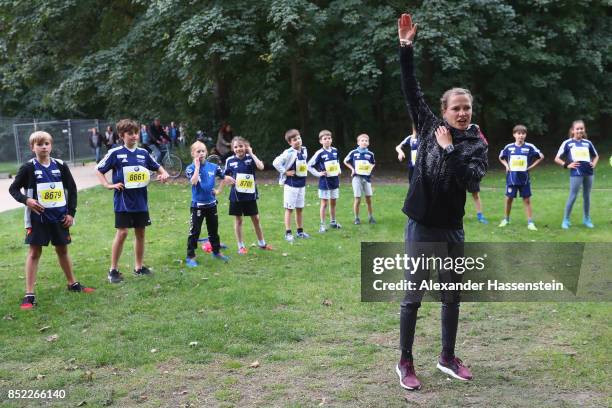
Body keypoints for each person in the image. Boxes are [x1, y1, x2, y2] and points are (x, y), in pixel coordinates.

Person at [396, 13, 488, 390]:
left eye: (467, 107)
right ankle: (405, 362)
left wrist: (451, 152)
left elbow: (472, 181)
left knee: (451, 295)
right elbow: (410, 87)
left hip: (452, 226)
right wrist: (406, 48)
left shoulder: (476, 143)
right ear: (445, 109)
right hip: (421, 223)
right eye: (456, 108)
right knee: (413, 296)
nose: (463, 113)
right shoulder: (430, 125)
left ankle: (447, 357)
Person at [9, 131, 94, 309]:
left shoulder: (61, 166)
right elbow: (14, 189)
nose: (44, 147)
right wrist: (27, 200)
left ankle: (72, 284)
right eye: (39, 144)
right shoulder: (28, 168)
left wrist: (71, 213)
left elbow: (72, 189)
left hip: (60, 218)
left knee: (62, 250)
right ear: (33, 148)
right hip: (37, 219)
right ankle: (29, 294)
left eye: (47, 143)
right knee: (34, 253)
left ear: (51, 145)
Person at [96, 119, 169, 283]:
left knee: (140, 233)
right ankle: (113, 270)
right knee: (122, 233)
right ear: (122, 136)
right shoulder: (115, 153)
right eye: (130, 133)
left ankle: (139, 267)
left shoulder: (143, 153)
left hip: (141, 201)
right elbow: (99, 170)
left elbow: (158, 167)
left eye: (136, 133)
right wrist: (108, 185)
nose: (134, 136)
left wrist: (163, 174)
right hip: (123, 202)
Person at [185, 141, 234, 266]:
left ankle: (216, 251)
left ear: (206, 152)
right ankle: (190, 256)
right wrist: (197, 167)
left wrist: (219, 190)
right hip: (198, 207)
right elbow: (194, 182)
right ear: (193, 153)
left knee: (213, 229)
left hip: (212, 205)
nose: (201, 153)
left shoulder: (213, 167)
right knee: (194, 231)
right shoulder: (190, 168)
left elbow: (224, 177)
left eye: (203, 151)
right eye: (198, 151)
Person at [223, 136, 273, 254]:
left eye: (241, 146)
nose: (238, 149)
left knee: (255, 218)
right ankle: (241, 246)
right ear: (232, 149)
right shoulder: (230, 160)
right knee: (239, 220)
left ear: (246, 147)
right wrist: (228, 180)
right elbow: (225, 176)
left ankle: (262, 244)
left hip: (250, 195)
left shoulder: (250, 158)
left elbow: (261, 167)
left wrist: (251, 153)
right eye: (235, 147)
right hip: (236, 196)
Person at [498, 124, 544, 230]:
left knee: (526, 200)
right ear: (514, 135)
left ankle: (530, 222)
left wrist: (531, 167)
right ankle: (506, 219)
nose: (521, 136)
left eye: (523, 134)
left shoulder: (529, 147)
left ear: (525, 135)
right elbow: (501, 157)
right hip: (511, 179)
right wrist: (506, 166)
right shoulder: (509, 147)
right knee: (509, 199)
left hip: (524, 179)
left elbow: (541, 156)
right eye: (519, 133)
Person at [554, 120, 599, 229]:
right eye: (577, 128)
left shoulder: (588, 143)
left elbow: (596, 156)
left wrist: (594, 164)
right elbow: (557, 158)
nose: (579, 130)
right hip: (576, 173)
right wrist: (566, 165)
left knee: (587, 196)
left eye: (581, 128)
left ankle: (586, 219)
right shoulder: (567, 143)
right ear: (573, 130)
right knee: (573, 196)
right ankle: (566, 219)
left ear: (584, 130)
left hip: (589, 173)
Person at [272, 129, 310, 242]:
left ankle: (300, 231)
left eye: (299, 138)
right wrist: (285, 172)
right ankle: (288, 233)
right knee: (289, 209)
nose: (297, 141)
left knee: (300, 209)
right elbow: (276, 162)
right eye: (294, 140)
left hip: (301, 184)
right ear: (290, 142)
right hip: (291, 185)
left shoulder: (304, 150)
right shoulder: (288, 152)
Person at [308, 129, 342, 232]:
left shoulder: (335, 150)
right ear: (321, 141)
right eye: (325, 139)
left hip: (335, 180)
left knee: (333, 202)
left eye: (329, 138)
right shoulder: (319, 153)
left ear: (331, 139)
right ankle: (322, 225)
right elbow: (309, 165)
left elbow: (337, 162)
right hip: (324, 182)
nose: (327, 140)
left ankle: (333, 222)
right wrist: (318, 174)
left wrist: (339, 170)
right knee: (324, 204)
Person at [343, 134, 376, 225]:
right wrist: (352, 169)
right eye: (362, 140)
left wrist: (370, 169)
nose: (364, 142)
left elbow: (373, 163)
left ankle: (371, 217)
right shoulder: (353, 152)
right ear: (358, 142)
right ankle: (356, 218)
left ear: (368, 143)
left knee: (368, 198)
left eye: (366, 141)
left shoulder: (370, 154)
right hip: (356, 177)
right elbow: (345, 161)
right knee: (357, 198)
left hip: (367, 178)